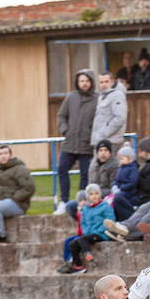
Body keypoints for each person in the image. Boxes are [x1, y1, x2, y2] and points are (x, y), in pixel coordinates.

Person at [55, 69, 97, 210]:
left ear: (91, 82)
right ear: (77, 83)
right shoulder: (71, 97)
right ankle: (64, 201)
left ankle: (81, 203)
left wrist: (91, 134)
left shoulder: (97, 99)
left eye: (87, 81)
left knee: (85, 175)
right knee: (62, 169)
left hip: (87, 144)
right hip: (69, 142)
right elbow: (61, 115)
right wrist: (65, 130)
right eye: (81, 81)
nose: (84, 83)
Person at [59, 184, 115, 274]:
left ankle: (87, 254)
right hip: (88, 234)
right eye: (91, 194)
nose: (94, 196)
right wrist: (86, 231)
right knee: (72, 244)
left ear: (100, 194)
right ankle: (78, 266)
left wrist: (98, 231)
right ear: (88, 196)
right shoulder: (86, 209)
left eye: (96, 193)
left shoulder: (105, 207)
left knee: (81, 239)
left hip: (101, 234)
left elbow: (110, 220)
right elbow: (83, 222)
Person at [91, 71, 127, 153]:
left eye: (106, 82)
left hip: (110, 142)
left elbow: (120, 118)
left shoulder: (117, 95)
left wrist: (104, 133)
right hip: (101, 142)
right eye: (101, 82)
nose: (104, 84)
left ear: (112, 81)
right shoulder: (102, 96)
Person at [108, 144, 142, 220]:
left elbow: (132, 182)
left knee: (118, 198)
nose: (120, 161)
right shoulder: (121, 168)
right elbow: (116, 180)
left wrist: (121, 188)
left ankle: (131, 210)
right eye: (119, 159)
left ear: (129, 158)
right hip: (120, 190)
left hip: (129, 192)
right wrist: (114, 185)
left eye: (122, 159)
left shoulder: (133, 169)